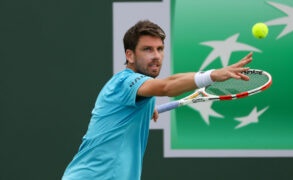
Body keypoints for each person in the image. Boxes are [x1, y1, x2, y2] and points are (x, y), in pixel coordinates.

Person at [62, 20, 253, 180]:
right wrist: (212, 75)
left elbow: (169, 81)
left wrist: (145, 111)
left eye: (159, 49)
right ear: (130, 55)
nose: (156, 56)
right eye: (147, 49)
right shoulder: (125, 81)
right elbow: (167, 86)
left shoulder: (139, 92)